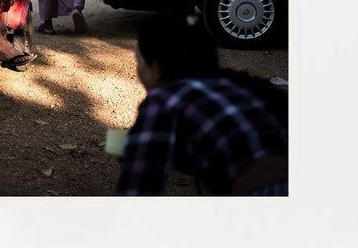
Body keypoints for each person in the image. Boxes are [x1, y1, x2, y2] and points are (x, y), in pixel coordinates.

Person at [116, 14, 289, 196]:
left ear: (156, 68)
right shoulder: (246, 87)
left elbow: (137, 192)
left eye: (139, 61)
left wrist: (138, 154)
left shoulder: (163, 100)